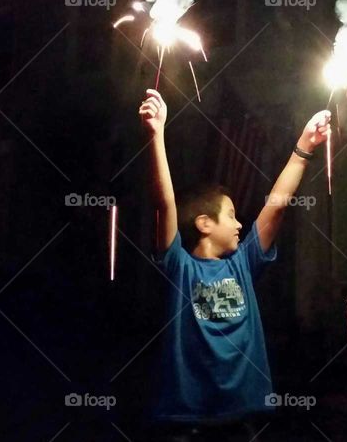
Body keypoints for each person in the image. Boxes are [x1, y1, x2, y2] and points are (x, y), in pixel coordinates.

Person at [140, 89, 330, 441]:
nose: (240, 223)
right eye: (230, 215)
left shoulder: (243, 263)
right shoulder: (180, 266)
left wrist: (304, 147)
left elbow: (277, 204)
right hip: (187, 421)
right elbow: (164, 203)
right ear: (204, 224)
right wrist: (156, 133)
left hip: (242, 418)